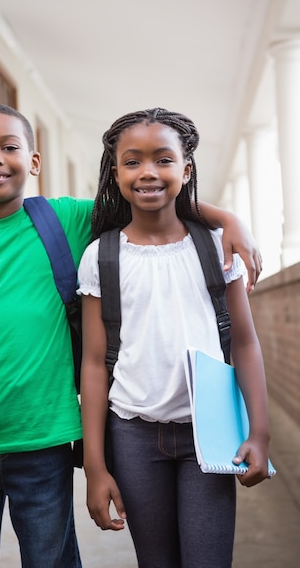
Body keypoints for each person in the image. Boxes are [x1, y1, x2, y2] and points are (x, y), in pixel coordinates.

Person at [0, 104, 262, 568]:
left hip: (45, 444)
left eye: (10, 147)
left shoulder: (66, 222)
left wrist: (227, 219)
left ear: (34, 162)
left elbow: (147, 192)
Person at [78, 107, 271, 568]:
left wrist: (259, 433)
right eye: (132, 161)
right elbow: (92, 362)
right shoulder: (100, 256)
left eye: (163, 160)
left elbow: (244, 343)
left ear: (186, 170)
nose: (148, 172)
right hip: (133, 437)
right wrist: (95, 466)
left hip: (209, 433)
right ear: (115, 172)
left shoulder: (216, 247)